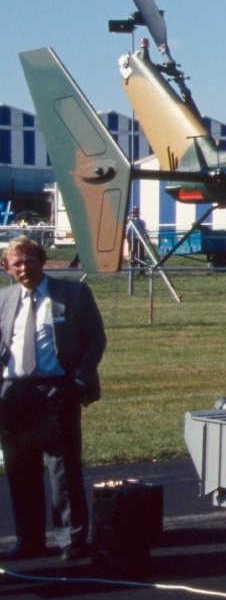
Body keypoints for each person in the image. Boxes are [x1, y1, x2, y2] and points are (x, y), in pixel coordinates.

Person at [0, 236, 106, 560]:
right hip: (14, 394)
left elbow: (96, 339)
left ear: (43, 260)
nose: (24, 268)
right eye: (16, 263)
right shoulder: (3, 299)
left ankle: (71, 540)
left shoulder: (72, 294)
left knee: (63, 468)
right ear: (7, 267)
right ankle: (29, 541)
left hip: (57, 390)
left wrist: (77, 378)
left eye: (29, 260)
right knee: (21, 470)